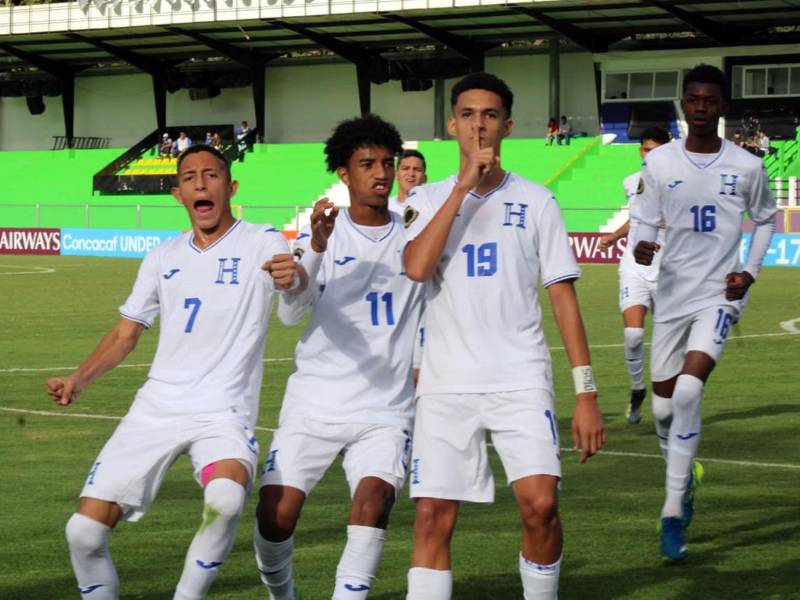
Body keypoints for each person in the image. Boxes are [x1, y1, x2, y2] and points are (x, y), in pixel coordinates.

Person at [47, 144, 304, 600]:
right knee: (82, 533)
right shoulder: (162, 257)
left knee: (225, 501)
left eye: (211, 175)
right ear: (177, 194)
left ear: (231, 186)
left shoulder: (262, 241)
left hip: (223, 410)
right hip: (156, 407)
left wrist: (292, 278)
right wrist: (78, 379)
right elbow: (127, 332)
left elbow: (292, 287)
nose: (200, 183)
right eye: (189, 178)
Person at [402, 72, 605, 599]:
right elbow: (417, 267)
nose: (478, 126)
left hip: (520, 379)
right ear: (451, 126)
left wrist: (586, 392)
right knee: (431, 518)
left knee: (541, 507)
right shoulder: (424, 199)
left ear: (507, 126)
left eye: (489, 116)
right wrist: (463, 188)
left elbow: (563, 298)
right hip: (446, 385)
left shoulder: (538, 202)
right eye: (467, 115)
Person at [253, 114, 425, 600]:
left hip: (385, 407)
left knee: (373, 504)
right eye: (367, 163)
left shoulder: (415, 234)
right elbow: (291, 313)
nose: (382, 173)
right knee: (275, 515)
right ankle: (282, 593)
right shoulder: (318, 232)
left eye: (388, 163)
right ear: (344, 174)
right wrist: (316, 251)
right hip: (315, 402)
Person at [632, 64, 776, 561]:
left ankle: (671, 511)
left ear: (721, 107)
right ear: (683, 105)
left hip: (720, 294)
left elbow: (765, 220)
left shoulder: (747, 166)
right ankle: (684, 477)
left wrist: (749, 273)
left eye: (709, 101)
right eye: (692, 99)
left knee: (690, 391)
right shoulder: (660, 165)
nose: (700, 107)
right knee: (664, 409)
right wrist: (643, 248)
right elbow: (642, 226)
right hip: (671, 296)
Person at [599, 126, 671, 425]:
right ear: (639, 151)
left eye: (656, 150)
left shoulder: (681, 184)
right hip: (634, 268)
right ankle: (638, 388)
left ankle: (666, 397)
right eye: (645, 149)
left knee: (670, 344)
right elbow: (636, 217)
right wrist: (614, 237)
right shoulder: (631, 182)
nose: (649, 155)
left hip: (669, 272)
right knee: (633, 335)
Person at [388, 149, 427, 215]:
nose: (411, 174)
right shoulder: (384, 207)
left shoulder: (433, 209)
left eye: (417, 170)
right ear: (396, 175)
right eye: (405, 168)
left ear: (424, 178)